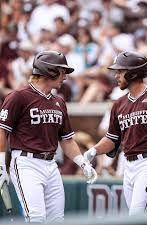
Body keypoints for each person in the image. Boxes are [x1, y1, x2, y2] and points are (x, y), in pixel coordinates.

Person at [0, 51, 97, 223]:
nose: (65, 77)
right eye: (62, 71)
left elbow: (66, 140)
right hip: (26, 163)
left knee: (56, 220)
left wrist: (83, 163)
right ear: (49, 70)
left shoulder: (59, 101)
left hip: (51, 165)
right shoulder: (18, 96)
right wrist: (1, 163)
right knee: (36, 219)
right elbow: (2, 130)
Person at [84, 51, 147, 215]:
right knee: (140, 217)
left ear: (133, 72)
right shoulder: (119, 103)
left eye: (120, 71)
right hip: (128, 165)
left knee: (137, 217)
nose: (116, 76)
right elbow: (112, 138)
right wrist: (94, 150)